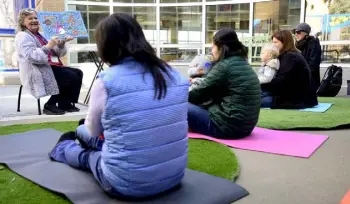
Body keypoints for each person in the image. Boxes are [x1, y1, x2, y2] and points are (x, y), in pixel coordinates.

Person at [49, 13, 189, 198]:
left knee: (88, 152)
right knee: (88, 131)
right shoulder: (173, 74)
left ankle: (63, 148)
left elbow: (93, 130)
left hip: (126, 183)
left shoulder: (107, 80)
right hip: (174, 176)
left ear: (105, 45)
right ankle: (79, 135)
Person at [188, 28, 261, 139]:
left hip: (227, 128)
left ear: (221, 48)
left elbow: (197, 94)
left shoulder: (224, 66)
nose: (212, 51)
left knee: (179, 105)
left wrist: (178, 96)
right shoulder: (242, 62)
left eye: (212, 47)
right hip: (246, 127)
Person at [15, 8, 83, 115]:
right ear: (23, 23)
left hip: (50, 65)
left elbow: (58, 53)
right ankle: (50, 105)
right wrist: (48, 46)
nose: (34, 20)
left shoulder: (41, 34)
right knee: (68, 76)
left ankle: (64, 103)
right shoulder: (22, 36)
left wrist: (61, 43)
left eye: (36, 18)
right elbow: (31, 56)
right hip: (36, 69)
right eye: (30, 18)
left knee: (78, 73)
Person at [261, 30, 318, 109]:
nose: (273, 45)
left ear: (285, 42)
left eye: (275, 42)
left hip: (294, 99)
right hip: (294, 96)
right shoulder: (288, 55)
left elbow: (281, 82)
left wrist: (261, 84)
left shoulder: (290, 57)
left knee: (249, 101)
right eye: (272, 42)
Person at [295, 23, 322, 89]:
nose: (296, 34)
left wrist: (302, 75)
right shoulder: (299, 44)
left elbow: (313, 64)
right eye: (295, 32)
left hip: (309, 80)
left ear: (306, 33)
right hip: (301, 79)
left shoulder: (313, 44)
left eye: (298, 32)